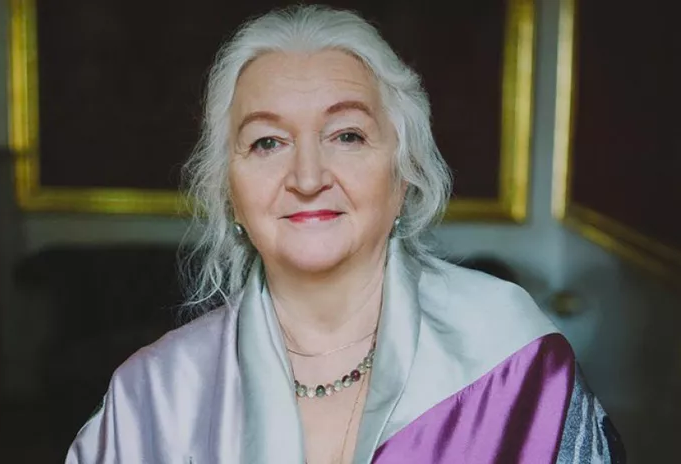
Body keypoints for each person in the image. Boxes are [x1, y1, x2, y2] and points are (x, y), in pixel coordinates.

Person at [66, 5, 624, 463]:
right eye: (267, 142)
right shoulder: (154, 397)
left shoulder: (509, 354)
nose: (308, 178)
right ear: (229, 190)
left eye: (347, 135)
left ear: (403, 174)